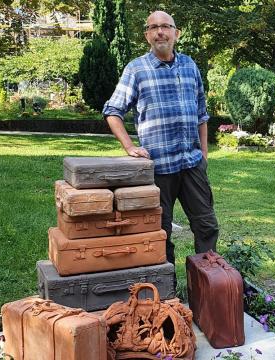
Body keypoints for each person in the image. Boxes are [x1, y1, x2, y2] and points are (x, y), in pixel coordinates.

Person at [103, 10, 218, 272]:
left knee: (206, 225)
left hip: (192, 165)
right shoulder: (136, 69)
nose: (160, 32)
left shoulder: (190, 66)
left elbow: (202, 114)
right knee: (159, 231)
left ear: (176, 33)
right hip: (157, 169)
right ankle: (165, 289)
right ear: (147, 36)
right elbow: (112, 111)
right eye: (153, 27)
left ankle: (208, 283)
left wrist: (204, 154)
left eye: (165, 26)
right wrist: (129, 146)